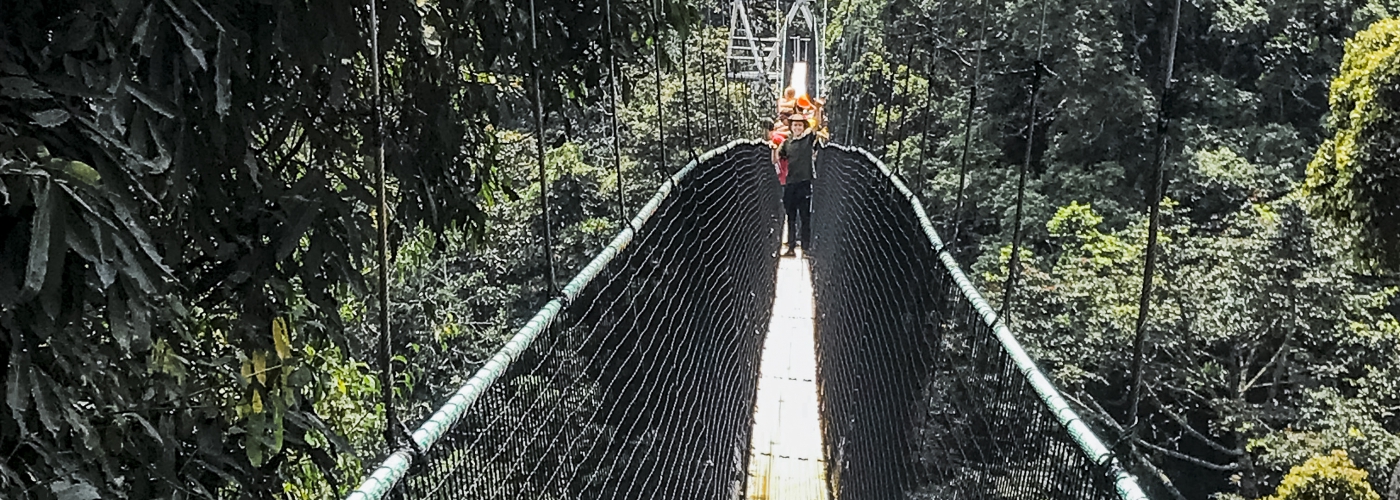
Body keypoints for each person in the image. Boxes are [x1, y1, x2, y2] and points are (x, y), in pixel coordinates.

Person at [778, 115, 816, 257]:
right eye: (795, 125)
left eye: (800, 125)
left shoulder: (808, 140)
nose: (797, 128)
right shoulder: (787, 143)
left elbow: (816, 127)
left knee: (805, 217)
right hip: (790, 184)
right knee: (791, 217)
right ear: (791, 127)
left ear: (803, 127)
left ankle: (805, 249)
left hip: (804, 183)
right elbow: (779, 158)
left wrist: (817, 109)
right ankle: (791, 247)